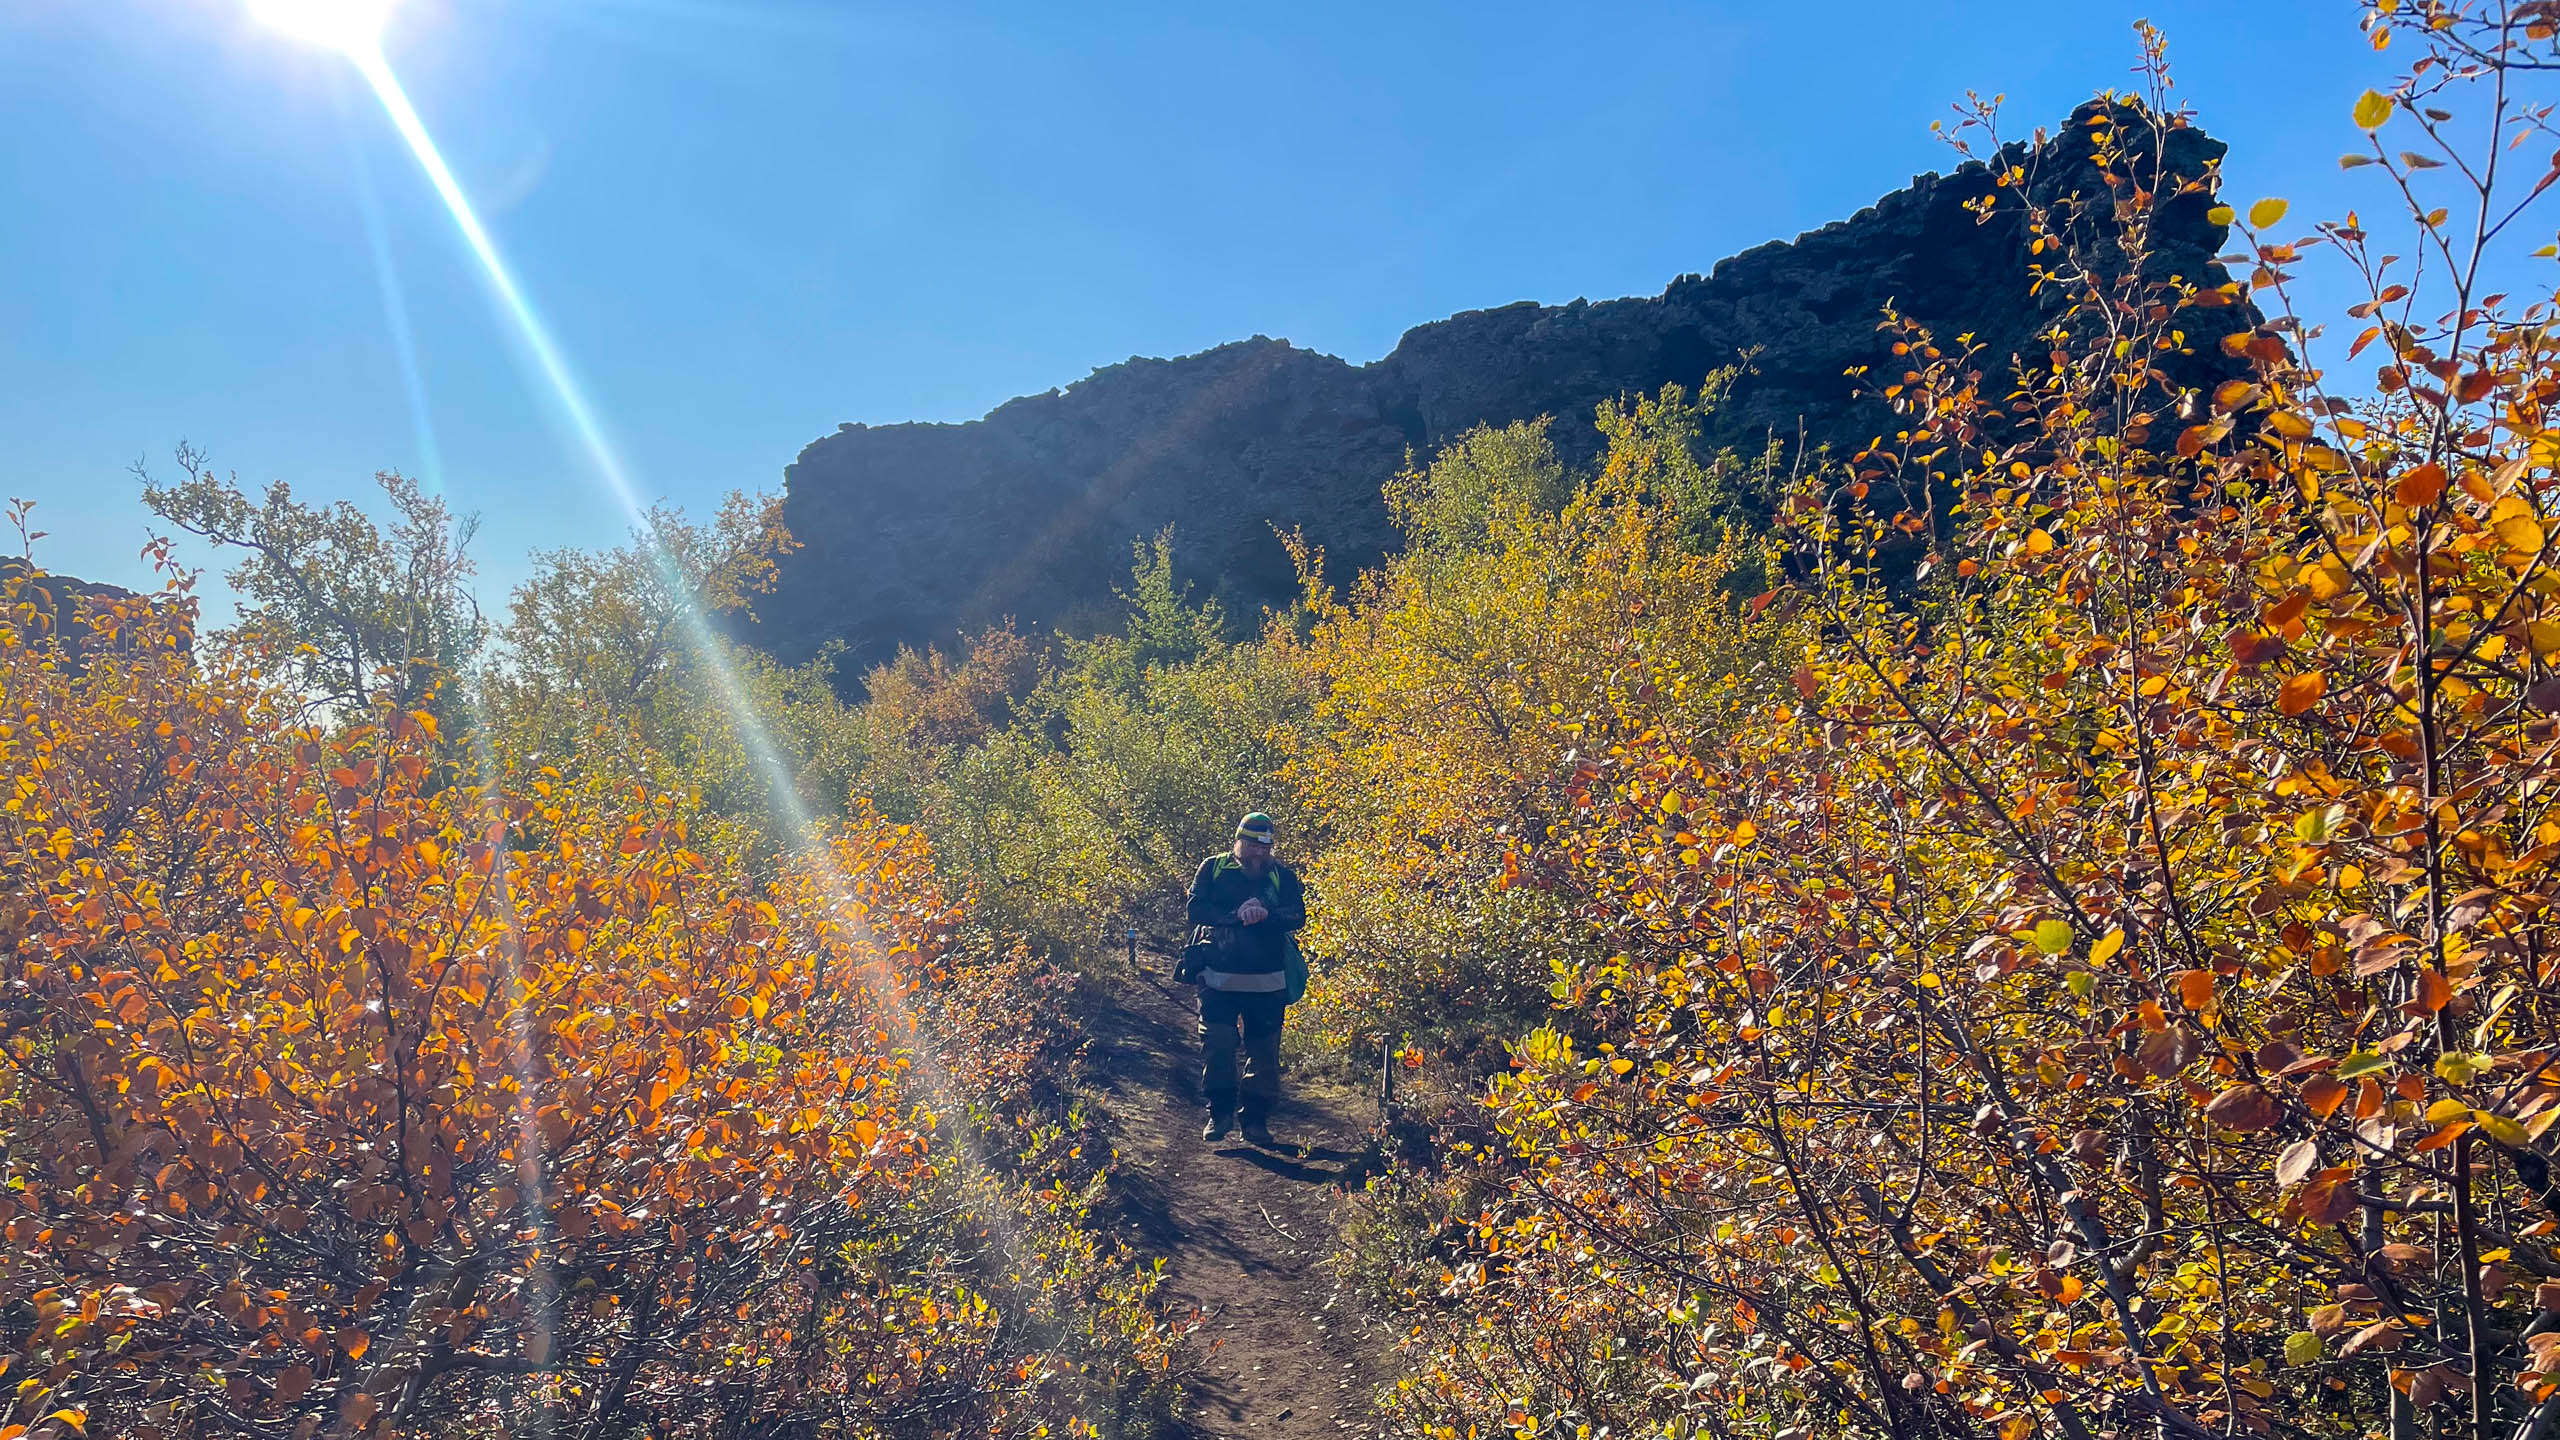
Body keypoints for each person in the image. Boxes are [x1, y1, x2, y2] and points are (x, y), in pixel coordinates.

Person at [1185, 812, 1306, 1146]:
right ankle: (1219, 1114)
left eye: (1265, 846)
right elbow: (1195, 909)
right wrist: (1236, 915)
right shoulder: (1213, 868)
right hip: (1216, 980)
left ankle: (1255, 1121)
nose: (1258, 853)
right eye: (1253, 844)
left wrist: (1267, 914)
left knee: (1265, 1054)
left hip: (1268, 983)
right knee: (1218, 1046)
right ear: (1238, 841)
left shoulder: (1283, 876)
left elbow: (1298, 916)